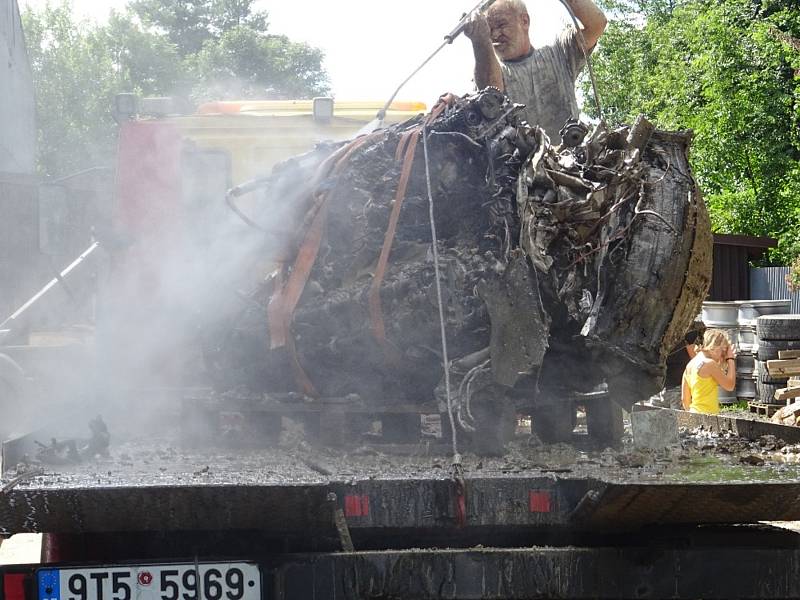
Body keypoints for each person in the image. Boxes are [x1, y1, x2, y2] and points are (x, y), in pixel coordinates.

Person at [464, 0, 607, 144]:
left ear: (524, 21)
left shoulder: (559, 52)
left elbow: (596, 24)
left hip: (571, 161)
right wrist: (480, 41)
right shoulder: (488, 70)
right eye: (489, 29)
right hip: (522, 165)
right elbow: (491, 94)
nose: (494, 35)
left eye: (501, 25)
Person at [681, 329, 737, 415]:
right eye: (723, 351)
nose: (723, 356)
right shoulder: (709, 364)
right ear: (716, 348)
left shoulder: (690, 365)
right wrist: (730, 359)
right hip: (707, 415)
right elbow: (730, 386)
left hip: (694, 413)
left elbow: (685, 399)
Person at [656, 321, 706, 409]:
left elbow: (695, 358)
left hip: (676, 388)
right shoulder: (661, 330)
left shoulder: (689, 331)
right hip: (663, 388)